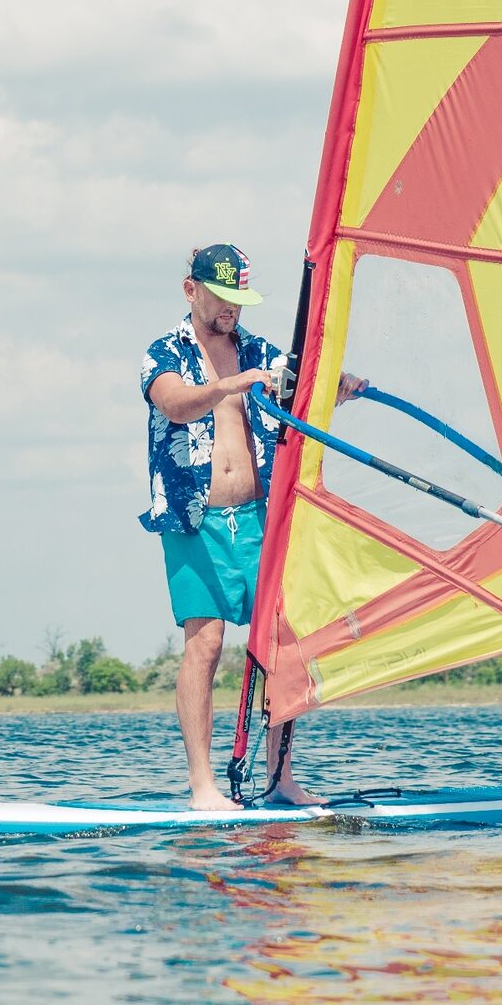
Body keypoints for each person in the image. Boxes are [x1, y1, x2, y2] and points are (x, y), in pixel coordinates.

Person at [140, 246, 361, 811]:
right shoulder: (163, 352)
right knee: (206, 643)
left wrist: (339, 385)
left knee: (283, 645)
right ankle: (203, 786)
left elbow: (306, 390)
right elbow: (176, 405)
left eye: (241, 300)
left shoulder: (260, 352)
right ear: (192, 290)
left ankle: (281, 779)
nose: (232, 311)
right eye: (223, 299)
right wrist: (230, 386)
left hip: (263, 520)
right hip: (194, 519)